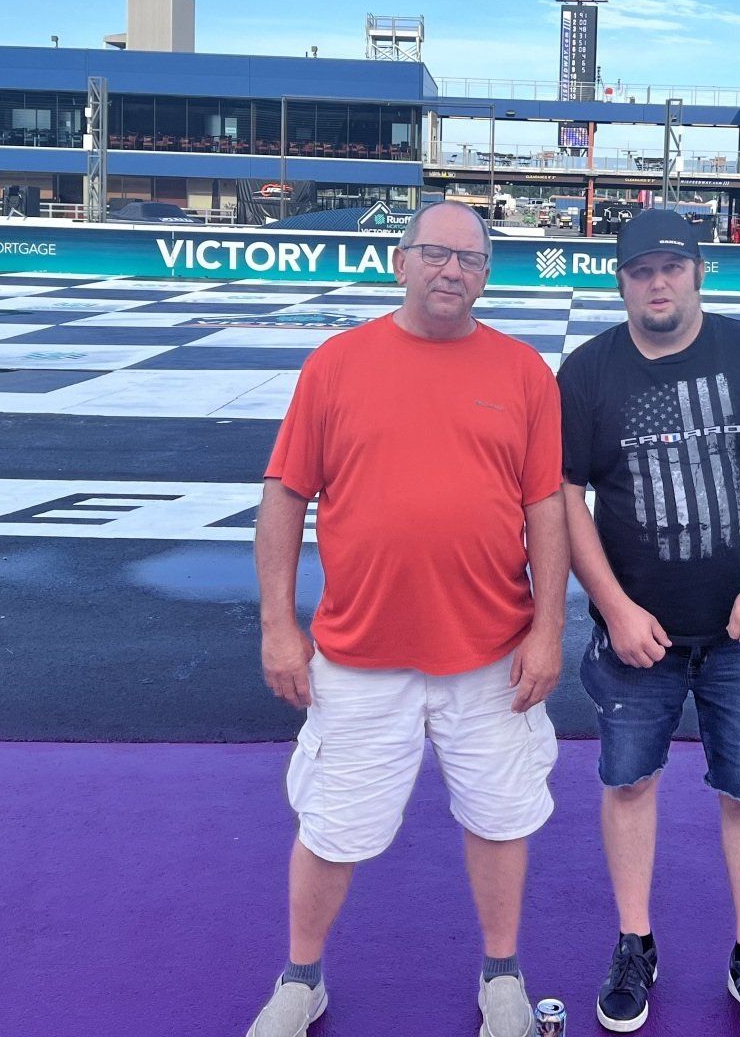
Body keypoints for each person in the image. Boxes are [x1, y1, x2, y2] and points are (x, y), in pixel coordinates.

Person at [246, 200, 568, 1037]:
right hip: (361, 654)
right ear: (399, 262)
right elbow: (285, 495)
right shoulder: (337, 364)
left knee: (500, 819)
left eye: (470, 259)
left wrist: (548, 632)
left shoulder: (524, 373)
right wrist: (278, 626)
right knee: (333, 827)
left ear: (486, 276)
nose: (451, 270)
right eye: (435, 253)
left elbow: (547, 509)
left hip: (492, 655)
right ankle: (301, 979)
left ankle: (503, 974)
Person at [557, 209, 740, 1037]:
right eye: (641, 270)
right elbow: (564, 498)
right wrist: (613, 606)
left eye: (672, 267)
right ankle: (634, 944)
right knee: (629, 783)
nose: (658, 283)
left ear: (699, 272)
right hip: (636, 636)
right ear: (620, 282)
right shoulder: (588, 372)